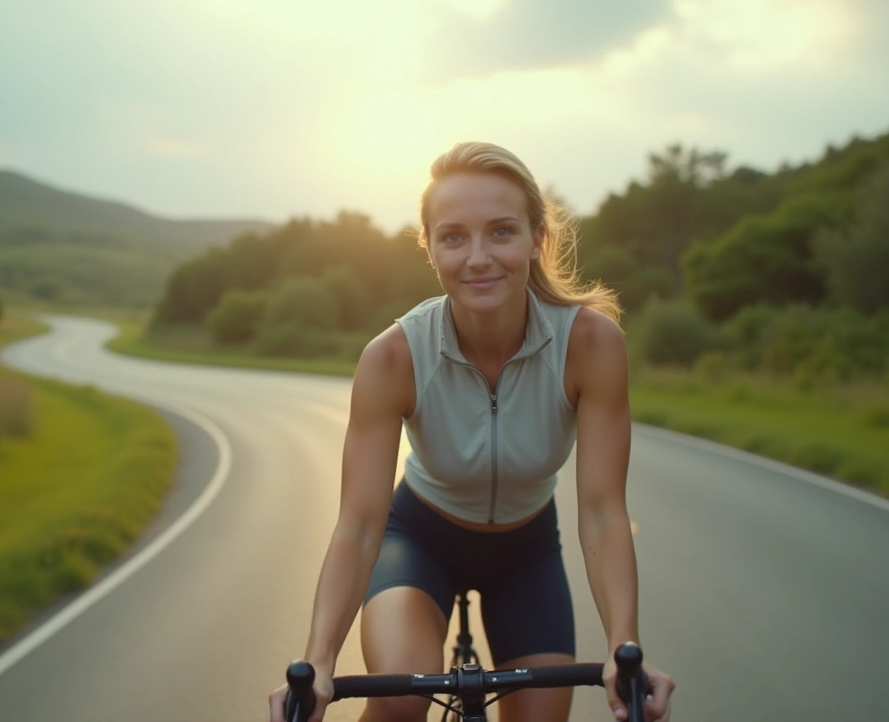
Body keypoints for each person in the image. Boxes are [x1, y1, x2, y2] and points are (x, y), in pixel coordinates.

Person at [267, 141, 675, 722]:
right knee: (402, 701)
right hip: (417, 540)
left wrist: (623, 652)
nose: (478, 257)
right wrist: (317, 665)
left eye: (501, 232)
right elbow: (359, 526)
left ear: (537, 238)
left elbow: (604, 512)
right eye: (454, 236)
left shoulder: (590, 344)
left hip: (527, 551)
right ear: (430, 249)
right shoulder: (393, 358)